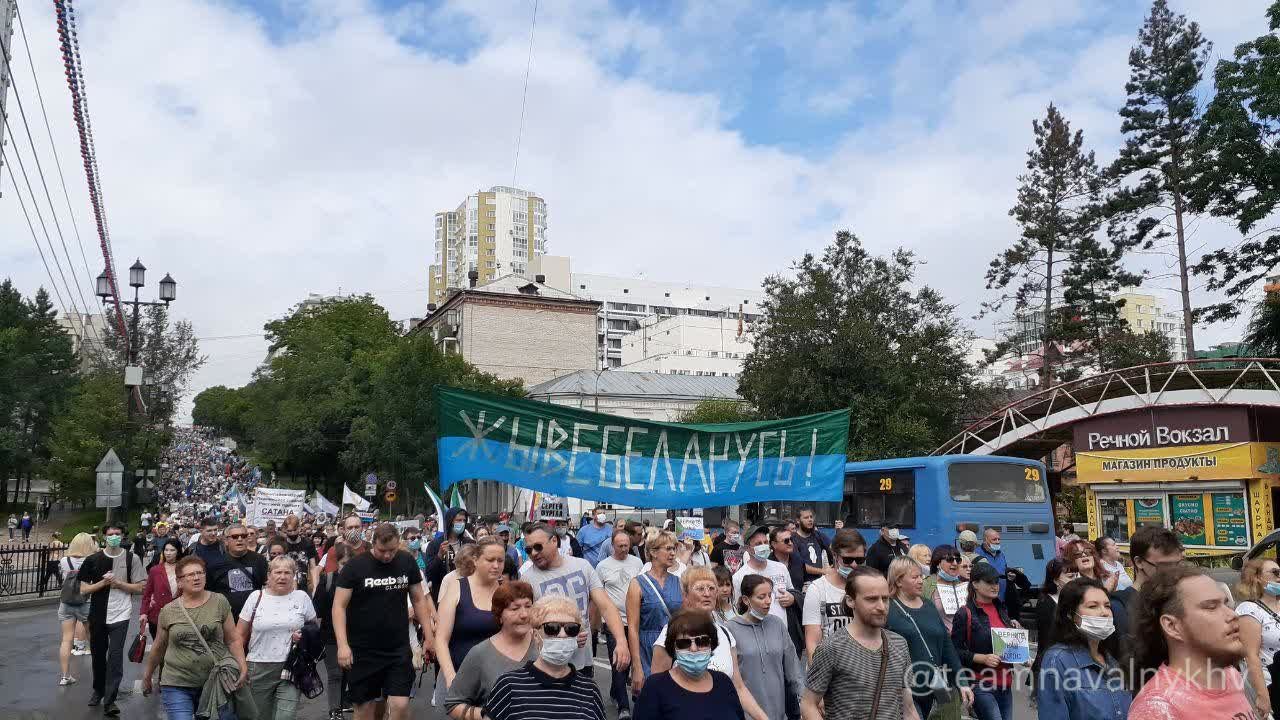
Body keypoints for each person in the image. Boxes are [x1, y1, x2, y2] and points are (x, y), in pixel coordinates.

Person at [333, 523, 436, 720]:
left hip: (397, 649)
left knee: (400, 704)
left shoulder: (406, 561)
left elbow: (418, 598)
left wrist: (429, 637)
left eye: (392, 550)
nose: (388, 555)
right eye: (382, 551)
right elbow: (339, 606)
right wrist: (342, 645)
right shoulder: (355, 567)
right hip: (362, 650)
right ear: (373, 544)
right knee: (365, 710)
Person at [1128, 565, 1253, 720]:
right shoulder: (1157, 709)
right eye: (1211, 607)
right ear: (1172, 626)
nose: (1232, 614)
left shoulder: (1231, 675)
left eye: (1225, 604)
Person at [646, 567, 768, 720]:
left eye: (711, 588)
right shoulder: (671, 635)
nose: (707, 593)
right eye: (700, 588)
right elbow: (657, 690)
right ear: (685, 595)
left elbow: (738, 687)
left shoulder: (725, 634)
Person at [801, 566, 918, 720]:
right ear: (850, 600)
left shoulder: (899, 644)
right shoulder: (832, 647)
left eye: (885, 598)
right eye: (871, 599)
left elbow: (908, 706)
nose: (881, 607)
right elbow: (808, 704)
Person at [141, 555, 249, 720]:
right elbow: (159, 646)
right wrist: (147, 676)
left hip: (214, 681)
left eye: (200, 573)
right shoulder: (169, 610)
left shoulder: (219, 601)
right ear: (179, 582)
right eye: (190, 575)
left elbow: (233, 639)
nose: (197, 577)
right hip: (177, 682)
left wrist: (242, 667)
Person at [519, 523, 631, 677]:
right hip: (547, 665)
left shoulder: (582, 566)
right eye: (528, 550)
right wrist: (564, 636)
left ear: (554, 541)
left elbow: (605, 605)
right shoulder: (527, 579)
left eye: (538, 547)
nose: (534, 553)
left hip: (582, 662)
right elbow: (526, 625)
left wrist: (621, 641)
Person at [482, 595, 607, 720]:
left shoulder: (589, 690)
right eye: (552, 628)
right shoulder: (508, 686)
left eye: (571, 628)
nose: (562, 635)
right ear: (536, 636)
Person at [886, 557, 971, 719]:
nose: (920, 581)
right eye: (914, 577)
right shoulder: (888, 609)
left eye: (921, 576)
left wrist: (962, 682)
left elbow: (947, 646)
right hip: (903, 689)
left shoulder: (928, 605)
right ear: (898, 581)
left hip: (933, 685)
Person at [1036, 577, 1132, 720]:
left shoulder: (1112, 661)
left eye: (1107, 606)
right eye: (1093, 606)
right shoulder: (1057, 660)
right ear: (1070, 614)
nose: (1104, 612)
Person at [78, 521, 145, 717]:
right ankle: (98, 689)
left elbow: (140, 587)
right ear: (104, 536)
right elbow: (83, 590)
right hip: (98, 614)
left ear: (123, 536)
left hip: (121, 615)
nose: (114, 536)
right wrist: (104, 583)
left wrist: (119, 583)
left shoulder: (132, 559)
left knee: (115, 658)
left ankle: (110, 700)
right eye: (111, 533)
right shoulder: (93, 560)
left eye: (118, 533)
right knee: (98, 656)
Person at [445, 580, 538, 720]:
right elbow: (453, 704)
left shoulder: (543, 645)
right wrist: (487, 715)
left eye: (528, 606)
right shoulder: (480, 654)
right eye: (515, 608)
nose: (524, 614)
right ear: (499, 615)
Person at [238, 556, 317, 720]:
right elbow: (239, 636)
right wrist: (240, 665)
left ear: (294, 575)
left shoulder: (302, 597)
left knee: (285, 716)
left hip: (292, 665)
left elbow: (314, 628)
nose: (282, 576)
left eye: (287, 572)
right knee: (259, 716)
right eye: (278, 572)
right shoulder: (256, 597)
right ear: (269, 575)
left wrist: (304, 635)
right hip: (258, 666)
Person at [636, 609, 747, 720]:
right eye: (684, 643)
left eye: (702, 641)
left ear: (711, 644)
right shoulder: (655, 687)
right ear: (673, 648)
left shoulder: (724, 682)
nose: (693, 649)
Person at [434, 537, 505, 707]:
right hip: (456, 676)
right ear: (476, 560)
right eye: (490, 560)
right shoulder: (456, 588)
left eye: (500, 560)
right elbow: (441, 639)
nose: (496, 565)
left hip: (494, 681)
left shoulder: (505, 592)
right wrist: (451, 677)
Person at [726, 575, 803, 720]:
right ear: (746, 600)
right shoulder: (730, 629)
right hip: (746, 714)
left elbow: (793, 668)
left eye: (769, 595)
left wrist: (803, 699)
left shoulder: (777, 624)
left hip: (779, 712)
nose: (768, 601)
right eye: (761, 597)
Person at [950, 562, 1017, 720]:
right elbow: (954, 652)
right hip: (980, 683)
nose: (995, 586)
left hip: (1005, 683)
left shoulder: (1002, 609)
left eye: (996, 581)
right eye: (989, 582)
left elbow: (1007, 646)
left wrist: (1020, 653)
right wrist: (982, 658)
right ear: (975, 584)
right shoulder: (964, 614)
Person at [628, 530, 683, 684]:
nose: (673, 553)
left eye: (674, 548)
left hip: (674, 647)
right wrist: (636, 666)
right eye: (668, 549)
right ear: (653, 552)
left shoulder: (679, 582)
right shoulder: (637, 584)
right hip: (647, 648)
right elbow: (632, 628)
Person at [596, 530, 642, 718]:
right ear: (612, 546)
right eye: (620, 546)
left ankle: (618, 692)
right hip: (614, 623)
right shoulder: (602, 566)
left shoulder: (637, 563)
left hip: (635, 621)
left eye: (627, 545)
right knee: (619, 663)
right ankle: (624, 706)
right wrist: (598, 622)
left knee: (633, 661)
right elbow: (598, 595)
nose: (624, 549)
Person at [802, 529, 864, 663]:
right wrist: (817, 678)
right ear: (835, 556)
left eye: (860, 560)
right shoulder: (818, 589)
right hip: (829, 669)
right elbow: (812, 642)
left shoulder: (868, 587)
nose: (854, 565)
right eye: (848, 559)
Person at [1236, 558, 1280, 718]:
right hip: (1272, 685)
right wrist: (1262, 696)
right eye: (1275, 572)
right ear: (1257, 578)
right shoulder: (1249, 609)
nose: (1279, 576)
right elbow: (1250, 655)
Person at [312, 542, 349, 720]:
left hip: (355, 635)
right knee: (335, 673)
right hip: (330, 635)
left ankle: (342, 704)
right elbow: (317, 612)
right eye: (343, 564)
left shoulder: (361, 583)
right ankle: (335, 710)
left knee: (348, 672)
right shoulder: (327, 582)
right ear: (337, 563)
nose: (347, 568)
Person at [56, 532, 97, 685]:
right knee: (92, 638)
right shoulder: (91, 560)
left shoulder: (64, 560)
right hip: (86, 602)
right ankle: (98, 670)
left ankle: (65, 676)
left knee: (66, 639)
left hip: (66, 602)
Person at [731, 526, 794, 625]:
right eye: (758, 544)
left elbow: (791, 591)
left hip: (781, 632)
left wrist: (791, 598)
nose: (764, 546)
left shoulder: (780, 568)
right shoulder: (739, 577)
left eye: (765, 542)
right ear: (748, 548)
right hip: (755, 633)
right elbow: (738, 609)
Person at [207, 522, 270, 618]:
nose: (240, 539)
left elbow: (267, 586)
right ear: (226, 541)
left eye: (243, 536)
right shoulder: (215, 563)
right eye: (235, 536)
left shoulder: (259, 560)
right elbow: (209, 592)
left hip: (254, 616)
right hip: (226, 617)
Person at [426, 507, 473, 604]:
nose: (462, 523)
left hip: (467, 594)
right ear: (450, 521)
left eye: (464, 520)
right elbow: (430, 573)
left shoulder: (469, 543)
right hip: (443, 595)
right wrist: (439, 555)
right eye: (458, 520)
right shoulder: (435, 545)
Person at [141, 539, 185, 640]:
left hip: (179, 614)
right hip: (157, 616)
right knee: (159, 648)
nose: (168, 553)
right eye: (166, 550)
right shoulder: (155, 570)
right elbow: (147, 593)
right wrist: (143, 613)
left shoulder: (184, 569)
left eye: (172, 550)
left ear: (178, 551)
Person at [923, 544, 968, 633]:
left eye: (958, 560)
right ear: (938, 563)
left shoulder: (962, 585)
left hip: (962, 640)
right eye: (950, 559)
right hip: (938, 639)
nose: (955, 563)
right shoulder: (925, 585)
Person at [790, 507, 830, 588]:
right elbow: (800, 565)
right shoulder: (793, 539)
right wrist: (823, 571)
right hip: (803, 585)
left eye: (811, 517)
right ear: (798, 520)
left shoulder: (818, 535)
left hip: (820, 582)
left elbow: (834, 549)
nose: (810, 519)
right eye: (806, 517)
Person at [279, 514, 319, 594]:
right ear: (285, 530)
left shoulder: (308, 543)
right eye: (289, 531)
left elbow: (312, 567)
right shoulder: (281, 544)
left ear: (299, 528)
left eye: (294, 530)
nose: (292, 533)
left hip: (303, 587)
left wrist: (315, 586)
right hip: (284, 586)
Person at [769, 525, 807, 594]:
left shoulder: (799, 560)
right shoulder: (767, 564)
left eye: (791, 539)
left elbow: (806, 581)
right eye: (786, 541)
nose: (790, 543)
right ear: (774, 544)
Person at [975, 528, 1009, 602]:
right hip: (985, 600)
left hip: (1001, 599)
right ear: (985, 540)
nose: (997, 542)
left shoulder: (1001, 554)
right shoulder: (977, 554)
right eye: (994, 539)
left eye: (998, 539)